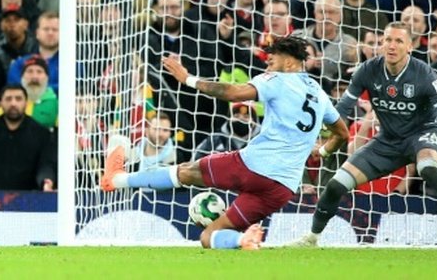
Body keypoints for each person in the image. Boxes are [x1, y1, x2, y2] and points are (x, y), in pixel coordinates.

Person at [102, 35, 349, 250]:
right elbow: (342, 133)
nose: (268, 63)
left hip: (255, 166)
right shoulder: (318, 92)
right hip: (283, 188)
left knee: (187, 172)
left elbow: (232, 93)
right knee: (209, 236)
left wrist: (188, 79)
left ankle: (116, 179)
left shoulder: (275, 80)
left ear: (288, 61)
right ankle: (243, 241)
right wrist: (323, 150)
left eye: (272, 59)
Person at [290, 23, 437, 247]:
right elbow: (343, 108)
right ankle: (311, 237)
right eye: (388, 40)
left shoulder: (423, 73)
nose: (392, 46)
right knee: (336, 185)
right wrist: (322, 137)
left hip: (422, 135)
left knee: (428, 168)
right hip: (387, 142)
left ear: (410, 46)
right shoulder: (367, 70)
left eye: (399, 41)